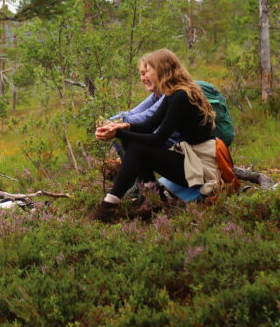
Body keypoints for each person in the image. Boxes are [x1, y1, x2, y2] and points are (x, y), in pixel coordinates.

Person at [89, 49, 219, 222]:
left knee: (135, 146)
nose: (143, 77)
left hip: (200, 168)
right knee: (132, 138)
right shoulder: (173, 93)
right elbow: (148, 124)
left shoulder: (181, 96)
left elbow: (158, 138)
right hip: (189, 161)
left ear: (161, 69)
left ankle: (107, 207)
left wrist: (119, 133)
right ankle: (149, 197)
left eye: (146, 72)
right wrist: (122, 127)